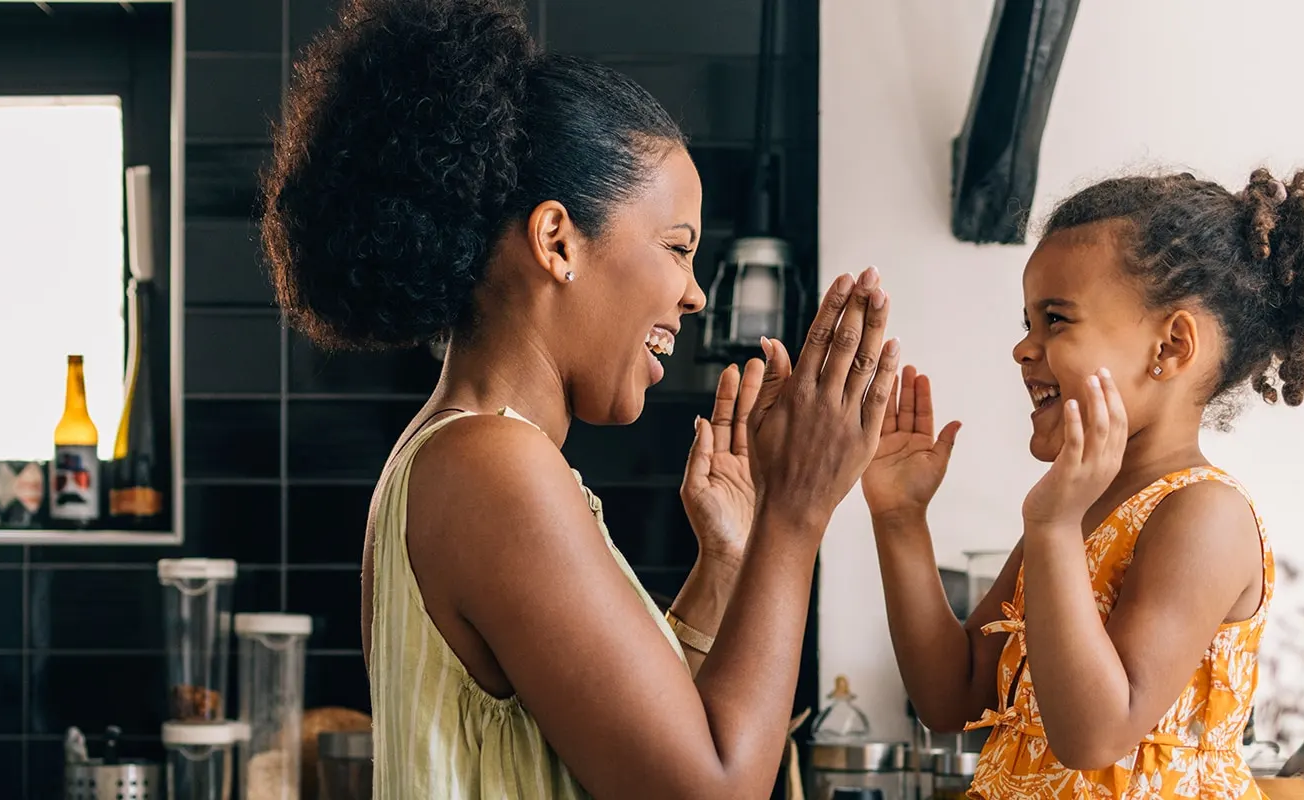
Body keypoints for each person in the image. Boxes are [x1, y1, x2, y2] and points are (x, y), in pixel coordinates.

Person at [260, 1, 903, 797]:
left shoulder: (462, 453)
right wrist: (796, 515)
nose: (695, 295)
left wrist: (731, 560)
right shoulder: (491, 469)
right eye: (676, 248)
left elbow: (638, 752)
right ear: (558, 241)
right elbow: (712, 789)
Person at [862, 169, 1304, 799]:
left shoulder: (1204, 515)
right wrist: (900, 518)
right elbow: (951, 697)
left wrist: (1054, 525)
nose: (1023, 349)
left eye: (1055, 320)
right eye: (1028, 322)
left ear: (1170, 347)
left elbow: (1095, 735)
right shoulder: (1077, 512)